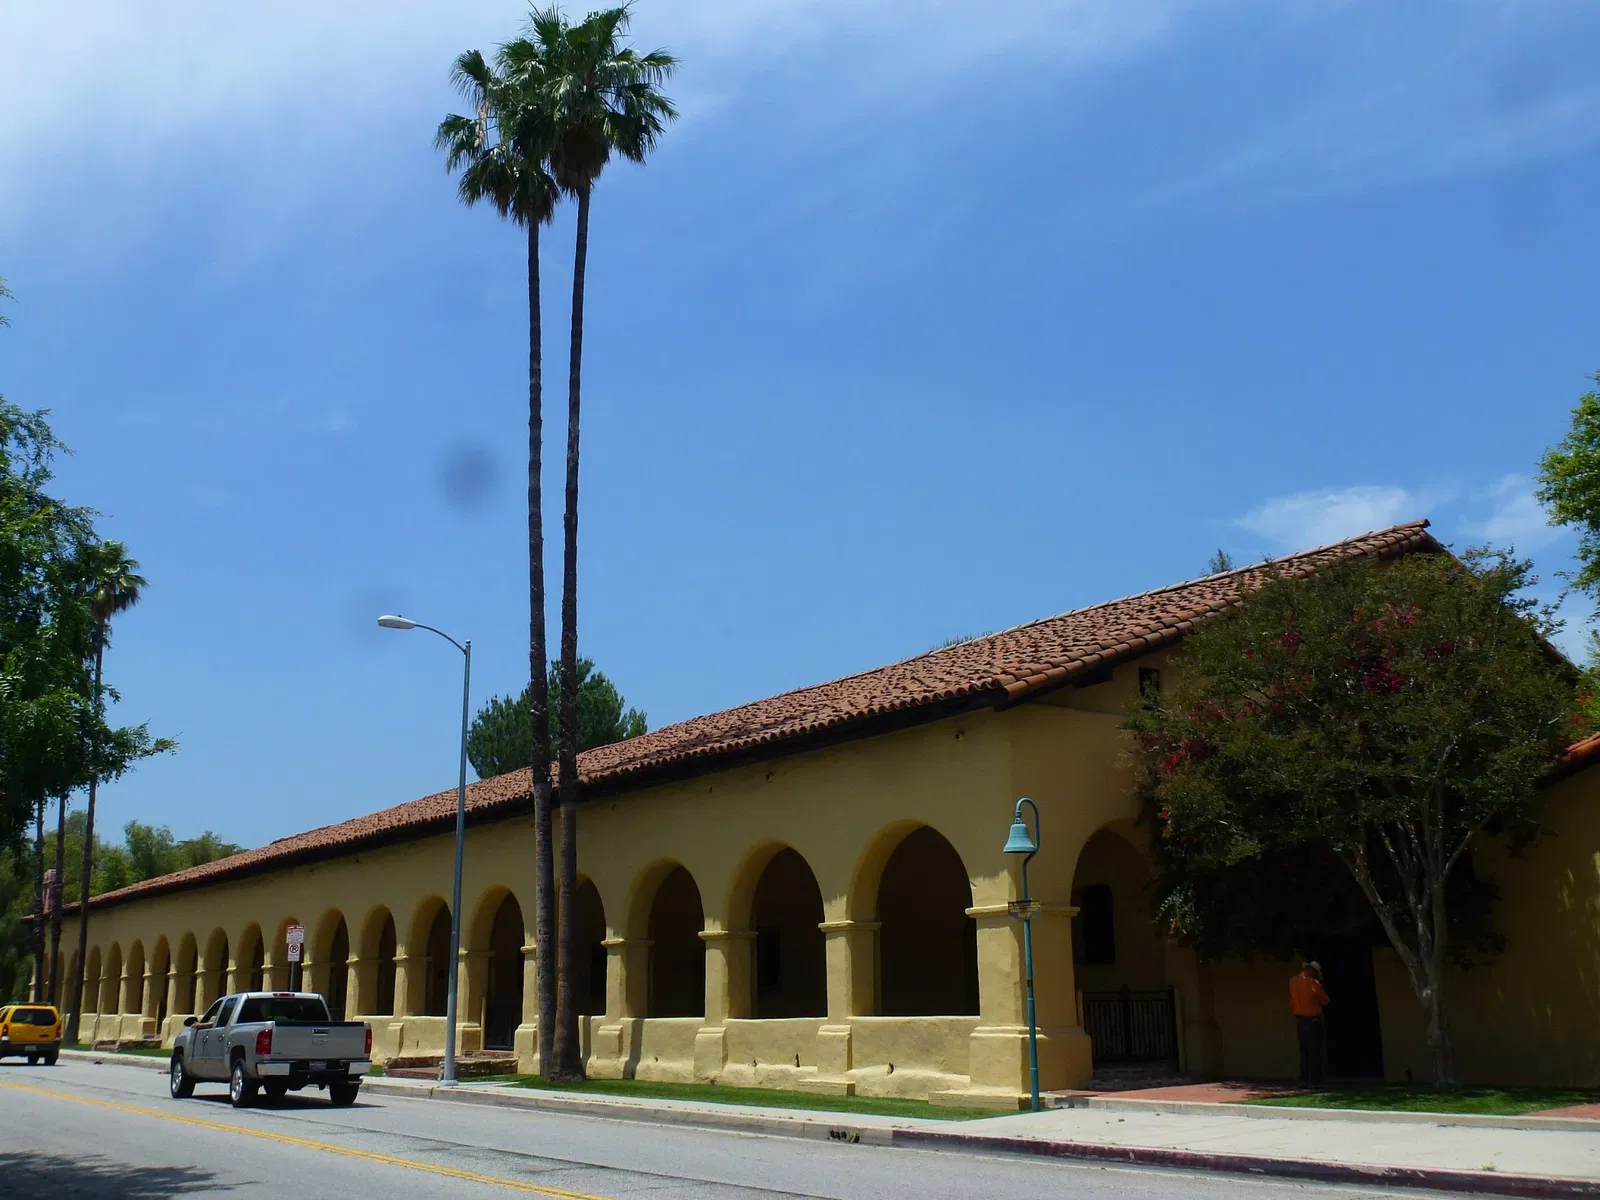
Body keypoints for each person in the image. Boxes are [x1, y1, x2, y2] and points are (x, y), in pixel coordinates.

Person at [1289, 960, 1330, 1086]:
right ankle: (1315, 1080)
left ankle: (1304, 1079)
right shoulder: (1314, 983)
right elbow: (1325, 1001)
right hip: (1313, 1020)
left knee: (1304, 1051)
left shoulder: (1292, 981)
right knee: (1315, 1051)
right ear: (1312, 971)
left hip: (1300, 1020)